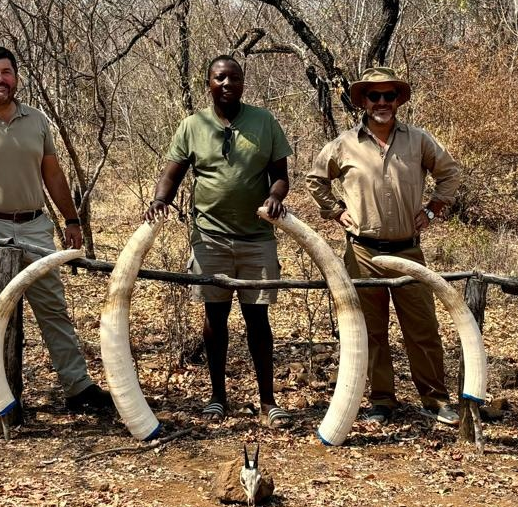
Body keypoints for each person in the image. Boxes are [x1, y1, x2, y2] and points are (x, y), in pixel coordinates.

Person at [0, 45, 112, 417]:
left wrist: (70, 219)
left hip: (34, 227)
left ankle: (78, 387)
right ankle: (5, 397)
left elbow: (52, 173)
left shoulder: (36, 120)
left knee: (53, 309)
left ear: (16, 78)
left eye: (6, 72)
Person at [306, 65, 466, 425]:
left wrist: (434, 207)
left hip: (409, 250)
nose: (382, 102)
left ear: (397, 100)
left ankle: (435, 399)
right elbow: (315, 179)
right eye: (374, 95)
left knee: (423, 326)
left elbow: (450, 173)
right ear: (363, 100)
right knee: (370, 330)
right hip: (362, 252)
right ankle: (381, 401)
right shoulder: (344, 144)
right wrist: (334, 211)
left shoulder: (418, 139)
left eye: (388, 95)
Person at [145, 54, 294, 426]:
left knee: (257, 318)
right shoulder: (192, 126)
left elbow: (281, 175)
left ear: (243, 83)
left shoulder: (264, 122)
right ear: (208, 83)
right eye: (220, 78)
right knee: (215, 316)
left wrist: (276, 196)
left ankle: (267, 401)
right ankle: (217, 398)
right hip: (208, 237)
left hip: (256, 237)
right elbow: (172, 174)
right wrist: (159, 201)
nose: (227, 84)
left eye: (235, 78)